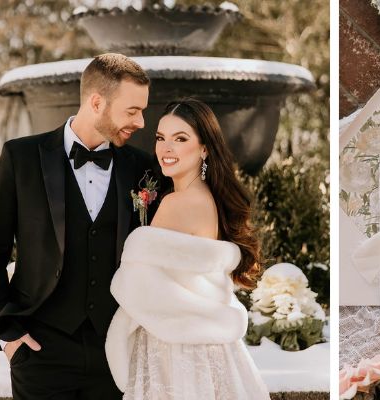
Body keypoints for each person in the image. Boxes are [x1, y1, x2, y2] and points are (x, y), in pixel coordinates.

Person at [0, 53, 155, 399]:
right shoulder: (21, 158)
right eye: (133, 111)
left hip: (115, 351)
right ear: (97, 102)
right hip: (40, 351)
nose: (142, 122)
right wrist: (8, 335)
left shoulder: (142, 168)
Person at [105, 98, 271, 399]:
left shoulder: (177, 203)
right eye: (160, 138)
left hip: (171, 349)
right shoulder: (208, 198)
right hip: (205, 346)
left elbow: (135, 286)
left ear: (205, 148)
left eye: (180, 139)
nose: (166, 149)